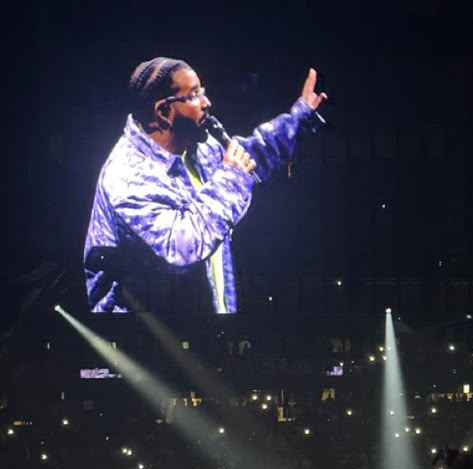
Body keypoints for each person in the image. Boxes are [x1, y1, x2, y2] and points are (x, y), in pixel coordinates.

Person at [85, 56, 327, 315]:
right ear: (164, 112)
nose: (206, 102)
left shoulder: (195, 149)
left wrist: (299, 118)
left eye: (203, 91)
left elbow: (248, 157)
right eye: (194, 94)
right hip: (144, 344)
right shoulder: (127, 176)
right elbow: (180, 250)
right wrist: (232, 178)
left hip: (207, 333)